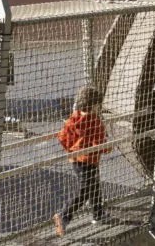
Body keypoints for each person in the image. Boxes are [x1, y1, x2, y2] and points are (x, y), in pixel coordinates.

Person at [53, 86, 112, 237]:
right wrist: (109, 147)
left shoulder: (74, 117)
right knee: (86, 189)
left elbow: (62, 137)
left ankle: (98, 213)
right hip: (89, 160)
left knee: (94, 186)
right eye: (98, 104)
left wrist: (71, 150)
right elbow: (100, 144)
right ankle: (64, 215)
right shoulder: (95, 121)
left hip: (75, 159)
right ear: (94, 105)